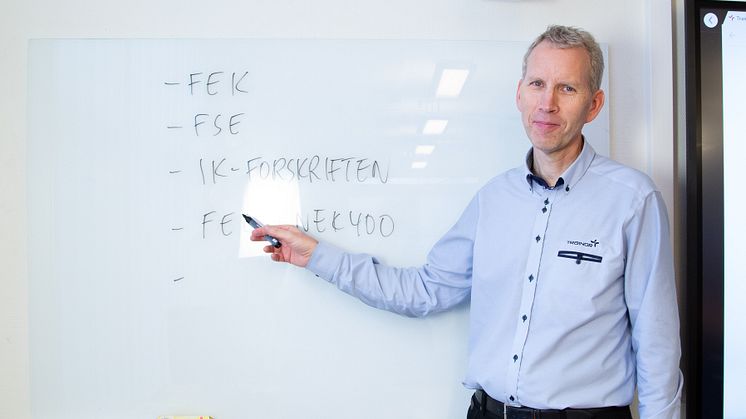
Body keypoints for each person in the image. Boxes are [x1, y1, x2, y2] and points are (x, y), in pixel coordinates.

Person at [251, 25, 683, 419]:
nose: (547, 103)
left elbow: (657, 341)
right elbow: (424, 290)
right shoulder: (493, 200)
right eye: (537, 84)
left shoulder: (633, 200)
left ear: (594, 105)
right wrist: (317, 256)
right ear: (519, 94)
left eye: (566, 88)